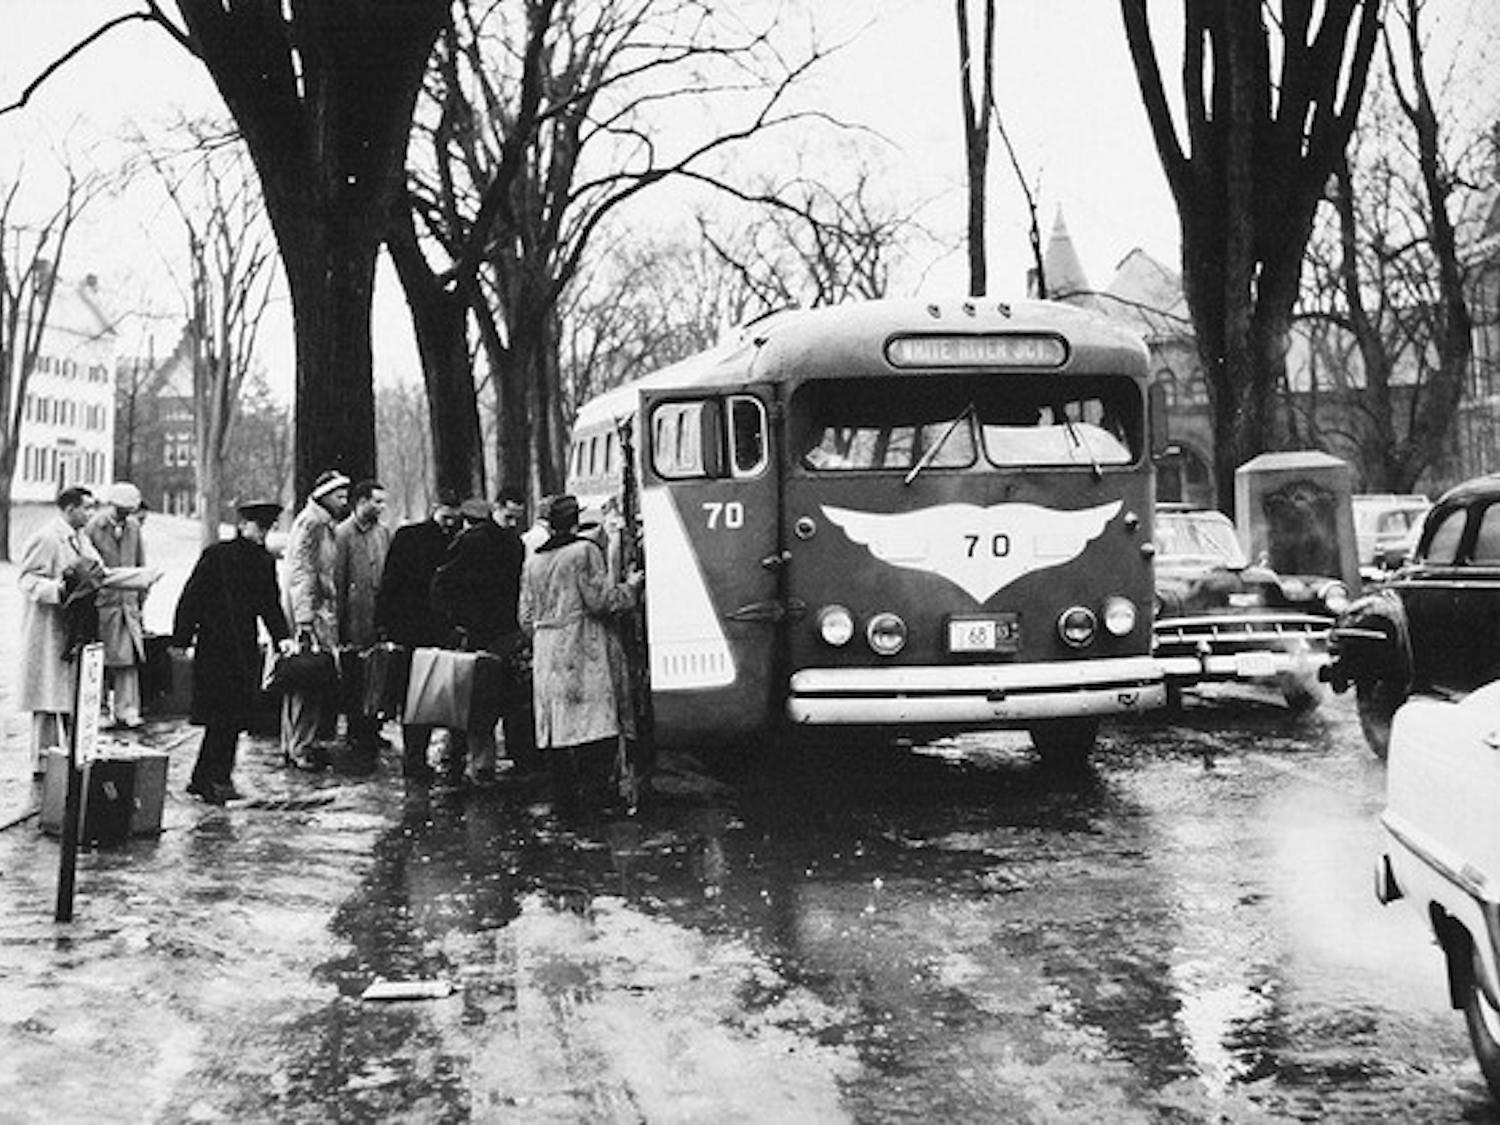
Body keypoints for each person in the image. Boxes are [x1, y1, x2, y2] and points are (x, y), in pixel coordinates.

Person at [518, 493, 643, 814]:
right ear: (575, 522)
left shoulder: (533, 561)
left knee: (557, 731)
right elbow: (601, 601)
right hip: (582, 648)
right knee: (593, 725)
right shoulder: (584, 552)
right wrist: (631, 587)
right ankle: (596, 799)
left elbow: (525, 616)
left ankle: (565, 803)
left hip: (546, 653)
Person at [171, 501, 292, 803]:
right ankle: (216, 779)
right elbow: (192, 597)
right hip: (214, 646)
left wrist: (282, 637)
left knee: (230, 716)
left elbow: (270, 603)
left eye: (267, 528)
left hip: (242, 647)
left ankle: (205, 778)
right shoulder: (217, 555)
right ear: (243, 525)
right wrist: (182, 637)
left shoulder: (263, 561)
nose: (262, 533)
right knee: (222, 715)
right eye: (259, 527)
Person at [431, 496, 525, 787]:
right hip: (485, 633)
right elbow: (443, 583)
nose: (512, 524)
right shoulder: (484, 542)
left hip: (492, 632)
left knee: (480, 700)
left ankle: (470, 760)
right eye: (509, 517)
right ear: (496, 509)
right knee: (480, 700)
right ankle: (476, 763)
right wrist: (457, 622)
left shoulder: (503, 543)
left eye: (516, 518)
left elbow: (443, 583)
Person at [374, 490, 463, 782]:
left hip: (424, 629)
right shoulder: (416, 537)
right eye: (446, 516)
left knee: (423, 695)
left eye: (454, 518)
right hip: (417, 629)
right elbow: (390, 581)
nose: (449, 523)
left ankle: (417, 758)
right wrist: (384, 623)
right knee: (417, 696)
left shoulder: (412, 537)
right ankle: (415, 758)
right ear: (435, 508)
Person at [17, 487, 103, 776]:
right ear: (69, 509)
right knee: (47, 694)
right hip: (48, 628)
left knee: (66, 693)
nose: (90, 514)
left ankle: (66, 756)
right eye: (86, 508)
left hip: (73, 627)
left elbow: (95, 570)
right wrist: (59, 589)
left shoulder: (82, 539)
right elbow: (27, 579)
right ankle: (42, 761)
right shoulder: (46, 538)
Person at [281, 469, 351, 770]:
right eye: (340, 496)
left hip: (315, 611)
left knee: (304, 680)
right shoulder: (313, 524)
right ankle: (300, 746)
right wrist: (305, 619)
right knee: (307, 680)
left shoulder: (318, 522)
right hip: (313, 614)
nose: (344, 501)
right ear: (325, 496)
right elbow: (302, 571)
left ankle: (294, 743)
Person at [84, 481, 150, 730]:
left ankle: (127, 708)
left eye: (128, 511)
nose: (124, 515)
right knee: (100, 659)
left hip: (127, 603)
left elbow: (140, 563)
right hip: (103, 604)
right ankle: (100, 709)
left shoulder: (134, 527)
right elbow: (86, 567)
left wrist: (140, 598)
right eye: (121, 510)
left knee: (129, 659)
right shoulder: (94, 527)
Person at [333, 478, 391, 759]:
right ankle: (355, 729)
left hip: (378, 615)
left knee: (377, 674)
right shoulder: (342, 534)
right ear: (361, 501)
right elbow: (338, 580)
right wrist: (340, 622)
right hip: (355, 617)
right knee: (355, 675)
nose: (381, 507)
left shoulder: (383, 533)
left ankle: (373, 727)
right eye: (376, 501)